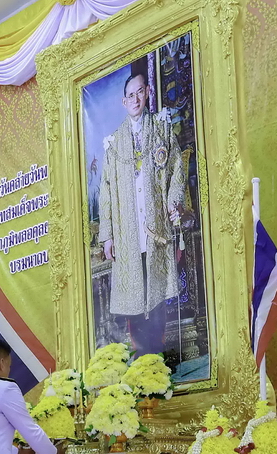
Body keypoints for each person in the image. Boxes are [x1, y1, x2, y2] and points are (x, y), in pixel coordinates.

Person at [98, 71, 185, 355]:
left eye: (139, 92)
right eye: (130, 95)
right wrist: (108, 236)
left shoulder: (161, 130)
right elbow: (105, 193)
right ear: (123, 102)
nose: (135, 99)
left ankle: (157, 354)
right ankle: (141, 355)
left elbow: (176, 170)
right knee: (134, 295)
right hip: (128, 234)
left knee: (156, 292)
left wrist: (174, 202)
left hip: (155, 228)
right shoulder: (113, 144)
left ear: (147, 93)